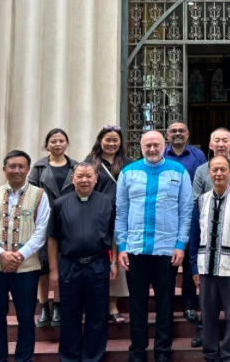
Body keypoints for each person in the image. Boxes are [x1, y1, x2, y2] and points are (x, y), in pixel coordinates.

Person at [116, 131, 193, 362]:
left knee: (165, 303)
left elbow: (186, 212)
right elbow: (121, 212)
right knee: (137, 305)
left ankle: (162, 352)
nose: (152, 149)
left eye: (156, 145)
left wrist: (181, 245)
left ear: (164, 145)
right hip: (135, 251)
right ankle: (137, 351)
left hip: (166, 251)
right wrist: (121, 246)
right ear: (140, 146)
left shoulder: (178, 172)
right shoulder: (128, 172)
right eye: (147, 145)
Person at [0, 150, 50, 362]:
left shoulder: (39, 195)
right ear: (4, 169)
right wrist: (1, 254)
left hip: (26, 268)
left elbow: (42, 230)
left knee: (26, 318)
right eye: (12, 166)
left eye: (21, 166)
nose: (16, 170)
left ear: (28, 169)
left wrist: (19, 255)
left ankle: (24, 359)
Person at [47, 162, 118, 362]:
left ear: (96, 178)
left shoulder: (107, 202)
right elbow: (52, 238)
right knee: (70, 314)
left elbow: (114, 235)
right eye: (80, 176)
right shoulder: (60, 204)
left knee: (98, 315)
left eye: (89, 176)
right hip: (70, 266)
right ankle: (69, 357)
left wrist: (113, 263)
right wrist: (53, 270)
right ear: (73, 179)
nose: (84, 180)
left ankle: (93, 357)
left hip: (98, 265)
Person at [191, 127, 230, 347]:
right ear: (210, 145)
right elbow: (197, 203)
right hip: (207, 247)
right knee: (207, 302)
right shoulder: (200, 171)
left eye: (224, 140)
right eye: (216, 140)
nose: (220, 143)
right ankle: (205, 335)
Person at [29, 128, 78, 328]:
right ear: (47, 144)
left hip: (68, 220)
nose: (57, 144)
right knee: (43, 267)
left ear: (66, 143)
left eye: (61, 140)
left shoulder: (75, 166)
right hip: (42, 220)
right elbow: (31, 193)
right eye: (53, 141)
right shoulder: (39, 167)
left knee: (62, 264)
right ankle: (44, 307)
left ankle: (58, 306)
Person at [85, 125, 132, 323]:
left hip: (122, 216)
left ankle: (113, 305)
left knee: (117, 259)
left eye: (115, 140)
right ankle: (94, 304)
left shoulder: (129, 163)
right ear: (100, 140)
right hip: (96, 216)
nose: (111, 144)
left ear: (120, 142)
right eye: (108, 140)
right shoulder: (90, 162)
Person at [164, 119, 207, 323]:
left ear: (188, 134)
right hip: (167, 218)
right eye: (174, 131)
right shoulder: (161, 155)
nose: (178, 134)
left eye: (181, 130)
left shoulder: (198, 156)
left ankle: (189, 306)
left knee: (190, 264)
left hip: (192, 216)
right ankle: (168, 306)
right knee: (168, 265)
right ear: (167, 135)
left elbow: (204, 184)